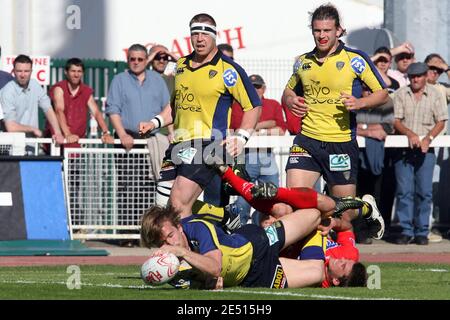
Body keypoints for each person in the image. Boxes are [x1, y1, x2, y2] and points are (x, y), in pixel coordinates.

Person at [139, 13, 261, 218]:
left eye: (205, 34)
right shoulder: (181, 67)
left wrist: (241, 138)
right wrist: (154, 122)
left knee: (178, 200)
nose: (200, 38)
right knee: (162, 206)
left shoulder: (228, 70)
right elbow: (176, 106)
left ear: (215, 36)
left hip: (208, 144)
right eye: (195, 33)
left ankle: (179, 249)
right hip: (178, 143)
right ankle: (223, 216)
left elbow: (253, 106)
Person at [281, 4, 388, 223]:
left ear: (338, 30)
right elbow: (288, 91)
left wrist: (359, 103)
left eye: (327, 30)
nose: (321, 36)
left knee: (345, 212)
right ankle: (310, 253)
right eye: (317, 30)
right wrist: (291, 100)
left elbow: (382, 93)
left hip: (340, 143)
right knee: (294, 199)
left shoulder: (354, 59)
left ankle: (366, 208)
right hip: (307, 140)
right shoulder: (303, 62)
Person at [106, 44, 171, 245]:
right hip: (128, 141)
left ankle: (149, 233)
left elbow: (168, 108)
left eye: (140, 59)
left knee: (151, 187)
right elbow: (113, 109)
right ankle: (127, 235)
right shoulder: (119, 80)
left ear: (146, 60)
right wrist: (122, 134)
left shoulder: (157, 81)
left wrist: (171, 134)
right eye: (132, 59)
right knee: (127, 188)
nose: (135, 62)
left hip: (152, 140)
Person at [393, 62, 448, 245]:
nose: (415, 79)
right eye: (412, 76)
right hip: (403, 149)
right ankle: (406, 230)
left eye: (418, 76)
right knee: (404, 191)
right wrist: (409, 133)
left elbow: (441, 121)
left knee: (424, 192)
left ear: (425, 76)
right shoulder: (401, 93)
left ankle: (422, 231)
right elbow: (396, 120)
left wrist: (428, 138)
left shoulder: (435, 94)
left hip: (426, 149)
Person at [230, 74, 287, 225]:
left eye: (258, 87)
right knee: (244, 200)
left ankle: (261, 231)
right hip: (246, 155)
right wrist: (268, 123)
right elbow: (237, 128)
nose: (255, 90)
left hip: (267, 155)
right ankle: (239, 232)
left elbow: (281, 130)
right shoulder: (238, 105)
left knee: (271, 198)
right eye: (252, 86)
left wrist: (256, 128)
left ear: (264, 88)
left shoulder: (273, 104)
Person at [44, 58, 114, 149]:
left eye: (79, 71)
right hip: (56, 144)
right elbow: (59, 110)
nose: (76, 74)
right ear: (66, 72)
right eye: (73, 71)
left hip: (76, 144)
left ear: (83, 73)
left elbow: (96, 112)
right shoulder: (59, 88)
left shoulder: (86, 91)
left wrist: (106, 132)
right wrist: (68, 134)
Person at [0, 54, 64, 154]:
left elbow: (48, 109)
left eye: (26, 71)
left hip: (32, 146)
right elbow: (10, 127)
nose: (22, 74)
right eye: (19, 71)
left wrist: (58, 132)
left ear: (31, 71)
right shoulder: (7, 91)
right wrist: (32, 129)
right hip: (11, 149)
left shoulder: (35, 85)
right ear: (13, 72)